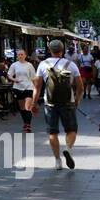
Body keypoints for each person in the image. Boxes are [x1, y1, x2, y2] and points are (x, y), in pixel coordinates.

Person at [30, 39, 82, 171]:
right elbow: (80, 86)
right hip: (68, 102)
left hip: (50, 103)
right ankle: (68, 149)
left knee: (52, 132)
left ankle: (58, 161)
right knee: (71, 130)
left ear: (50, 50)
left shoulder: (42, 65)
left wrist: (34, 103)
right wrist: (77, 100)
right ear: (62, 50)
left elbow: (38, 87)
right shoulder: (71, 65)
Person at [8, 49, 36, 133]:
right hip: (18, 87)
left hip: (28, 87)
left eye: (22, 54)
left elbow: (33, 77)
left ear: (25, 55)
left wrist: (36, 88)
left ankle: (28, 125)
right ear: (17, 56)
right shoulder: (14, 65)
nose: (20, 56)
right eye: (19, 55)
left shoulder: (29, 65)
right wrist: (14, 79)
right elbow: (9, 75)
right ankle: (25, 122)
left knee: (28, 107)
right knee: (22, 108)